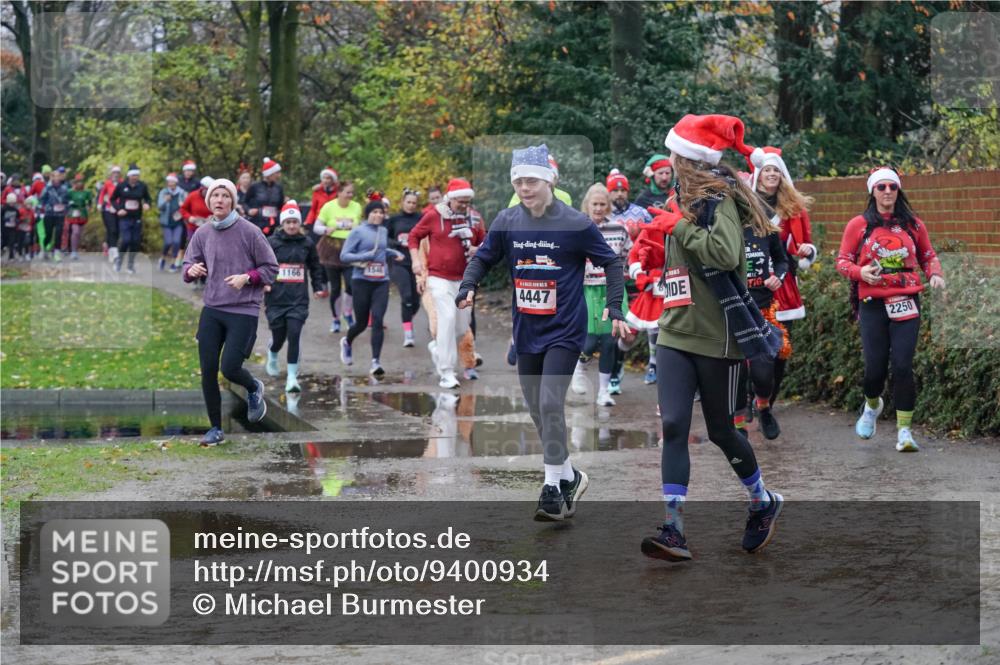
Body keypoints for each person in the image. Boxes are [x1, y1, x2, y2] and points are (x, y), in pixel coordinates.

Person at [640, 114, 785, 562]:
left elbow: (724, 253)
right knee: (672, 426)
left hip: (718, 337)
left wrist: (676, 227)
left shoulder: (719, 199)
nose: (670, 160)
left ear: (687, 159)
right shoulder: (677, 198)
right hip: (674, 331)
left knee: (723, 430)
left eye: (674, 153)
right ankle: (674, 530)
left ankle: (762, 501)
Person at [458, 144, 628, 521]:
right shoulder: (507, 220)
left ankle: (551, 488)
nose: (524, 188)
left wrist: (614, 305)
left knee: (550, 403)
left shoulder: (575, 223)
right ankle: (570, 475)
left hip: (565, 329)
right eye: (518, 181)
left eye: (531, 181)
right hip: (527, 330)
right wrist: (469, 285)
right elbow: (484, 257)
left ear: (549, 181)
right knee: (538, 409)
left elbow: (611, 263)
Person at [836, 167, 945, 453]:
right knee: (875, 369)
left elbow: (928, 256)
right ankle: (872, 406)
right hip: (872, 302)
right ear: (872, 191)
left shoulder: (913, 225)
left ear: (899, 190)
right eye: (881, 187)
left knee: (902, 366)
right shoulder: (859, 225)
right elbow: (843, 261)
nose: (887, 192)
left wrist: (935, 273)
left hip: (906, 299)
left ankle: (904, 431)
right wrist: (860, 272)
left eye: (892, 187)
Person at [182, 177, 278, 446]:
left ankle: (253, 387)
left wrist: (247, 278)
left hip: (243, 310)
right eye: (215, 196)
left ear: (233, 201)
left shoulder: (249, 231)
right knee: (208, 369)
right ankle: (215, 428)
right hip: (213, 308)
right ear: (209, 201)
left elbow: (271, 268)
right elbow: (187, 266)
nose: (220, 200)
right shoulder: (202, 233)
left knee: (230, 368)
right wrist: (191, 270)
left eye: (225, 196)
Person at [751, 147, 816, 408]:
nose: (771, 174)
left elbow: (805, 243)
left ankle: (768, 400)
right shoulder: (745, 205)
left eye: (776, 170)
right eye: (767, 169)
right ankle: (749, 397)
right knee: (750, 341)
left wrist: (807, 251)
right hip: (752, 281)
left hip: (783, 284)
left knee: (781, 346)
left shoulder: (793, 208)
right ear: (758, 174)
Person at [408, 178, 485, 389]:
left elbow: (485, 242)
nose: (463, 205)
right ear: (450, 199)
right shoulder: (434, 215)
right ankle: (447, 372)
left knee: (461, 328)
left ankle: (437, 347)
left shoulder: (474, 217)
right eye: (460, 201)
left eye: (467, 201)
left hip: (464, 280)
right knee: (447, 319)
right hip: (438, 277)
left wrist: (477, 249)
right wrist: (415, 261)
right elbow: (414, 237)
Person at [569, 183, 632, 406]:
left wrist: (630, 273)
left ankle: (604, 391)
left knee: (609, 341)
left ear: (608, 206)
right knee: (588, 340)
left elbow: (629, 255)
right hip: (585, 289)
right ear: (587, 205)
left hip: (612, 289)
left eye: (602, 204)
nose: (598, 208)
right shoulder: (577, 229)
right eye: (594, 204)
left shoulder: (618, 229)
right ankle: (579, 368)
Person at [737, 183, 790, 440]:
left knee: (763, 370)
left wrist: (777, 277)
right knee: (737, 371)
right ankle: (738, 425)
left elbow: (782, 260)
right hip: (734, 310)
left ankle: (764, 407)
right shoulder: (724, 231)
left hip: (763, 307)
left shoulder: (766, 230)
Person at [338, 193, 405, 377]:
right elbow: (344, 255)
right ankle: (347, 341)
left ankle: (376, 362)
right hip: (361, 281)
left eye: (381, 212)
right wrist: (365, 256)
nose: (378, 215)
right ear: (367, 214)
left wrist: (393, 253)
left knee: (377, 320)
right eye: (374, 212)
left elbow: (381, 250)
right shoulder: (358, 231)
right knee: (361, 323)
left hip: (381, 281)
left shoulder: (383, 231)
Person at [264, 200, 328, 392]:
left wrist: (317, 287)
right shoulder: (272, 242)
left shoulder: (307, 243)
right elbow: (262, 264)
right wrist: (265, 282)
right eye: (288, 222)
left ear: (299, 224)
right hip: (276, 298)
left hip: (298, 299)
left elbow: (315, 266)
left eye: (295, 222)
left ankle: (292, 377)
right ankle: (273, 352)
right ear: (282, 223)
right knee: (279, 336)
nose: (292, 226)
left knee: (294, 335)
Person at [606, 168, 656, 387]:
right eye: (615, 190)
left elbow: (654, 238)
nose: (619, 194)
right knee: (616, 331)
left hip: (637, 279)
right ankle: (615, 368)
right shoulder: (603, 214)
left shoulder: (640, 213)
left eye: (623, 190)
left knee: (636, 332)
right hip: (612, 281)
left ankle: (651, 365)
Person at [313, 180, 362, 332]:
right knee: (335, 288)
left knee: (351, 285)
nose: (350, 195)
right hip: (332, 250)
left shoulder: (356, 206)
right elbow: (316, 227)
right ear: (339, 192)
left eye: (352, 192)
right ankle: (335, 319)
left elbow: (360, 226)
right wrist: (325, 229)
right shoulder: (329, 207)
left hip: (350, 250)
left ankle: (347, 313)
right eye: (348, 192)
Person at [386, 188, 423, 347]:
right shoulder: (394, 219)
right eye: (408, 202)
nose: (411, 205)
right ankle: (408, 334)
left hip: (417, 263)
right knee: (406, 296)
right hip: (399, 262)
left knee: (415, 301)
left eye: (414, 203)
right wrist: (397, 243)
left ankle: (407, 319)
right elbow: (385, 238)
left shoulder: (421, 218)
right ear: (402, 202)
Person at [110, 164, 152, 274]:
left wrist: (147, 204)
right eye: (133, 175)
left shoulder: (142, 186)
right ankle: (119, 261)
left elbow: (148, 198)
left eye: (137, 175)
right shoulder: (121, 185)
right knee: (126, 240)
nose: (135, 177)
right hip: (125, 218)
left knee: (135, 242)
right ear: (129, 176)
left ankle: (130, 265)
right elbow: (112, 199)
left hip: (137, 217)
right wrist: (119, 209)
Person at [507, 153, 573, 207]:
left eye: (553, 177)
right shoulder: (520, 194)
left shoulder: (564, 196)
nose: (550, 180)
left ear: (556, 178)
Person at [245, 157, 285, 236]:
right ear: (269, 174)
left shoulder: (279, 187)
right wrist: (249, 210)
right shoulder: (255, 186)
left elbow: (280, 206)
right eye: (277, 173)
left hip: (274, 224)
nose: (279, 175)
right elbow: (244, 202)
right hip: (258, 223)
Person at [157, 173, 186, 272]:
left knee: (177, 242)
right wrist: (165, 201)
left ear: (176, 182)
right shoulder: (163, 192)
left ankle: (173, 263)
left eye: (172, 181)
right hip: (167, 222)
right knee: (168, 242)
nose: (170, 183)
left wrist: (182, 205)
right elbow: (160, 207)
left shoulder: (182, 192)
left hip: (178, 222)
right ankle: (163, 258)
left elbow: (187, 207)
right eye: (169, 181)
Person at [39, 166, 69, 261]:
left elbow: (67, 201)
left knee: (59, 233)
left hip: (60, 214)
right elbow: (42, 199)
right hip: (49, 213)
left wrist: (65, 208)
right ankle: (45, 248)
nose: (56, 179)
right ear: (51, 178)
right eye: (54, 176)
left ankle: (57, 252)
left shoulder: (64, 188)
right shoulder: (47, 188)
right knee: (48, 233)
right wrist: (46, 207)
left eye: (58, 176)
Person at [64, 173, 92, 260]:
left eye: (81, 182)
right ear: (75, 183)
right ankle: (73, 252)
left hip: (83, 213)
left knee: (79, 233)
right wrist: (69, 204)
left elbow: (90, 202)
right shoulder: (70, 192)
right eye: (78, 182)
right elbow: (65, 200)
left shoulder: (87, 192)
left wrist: (89, 207)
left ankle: (75, 249)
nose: (79, 183)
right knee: (75, 231)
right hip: (73, 212)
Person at [97, 165, 122, 261]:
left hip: (119, 209)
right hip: (108, 209)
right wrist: (100, 204)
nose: (116, 175)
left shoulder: (122, 183)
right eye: (114, 173)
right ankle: (113, 251)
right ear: (111, 174)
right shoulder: (107, 183)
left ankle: (108, 245)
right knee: (112, 229)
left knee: (117, 231)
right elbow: (102, 194)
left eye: (117, 173)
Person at [305, 167, 339, 231]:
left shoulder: (339, 192)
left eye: (328, 178)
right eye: (324, 178)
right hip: (319, 221)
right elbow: (313, 209)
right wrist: (308, 222)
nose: (325, 180)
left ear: (333, 180)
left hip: (333, 221)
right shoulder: (317, 191)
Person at [2, 193, 19, 260]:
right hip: (5, 228)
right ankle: (3, 250)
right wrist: (5, 219)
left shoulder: (15, 209)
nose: (12, 204)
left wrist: (17, 221)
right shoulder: (4, 209)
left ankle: (11, 256)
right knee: (5, 240)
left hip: (12, 227)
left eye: (13, 202)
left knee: (11, 241)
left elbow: (18, 217)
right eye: (10, 202)